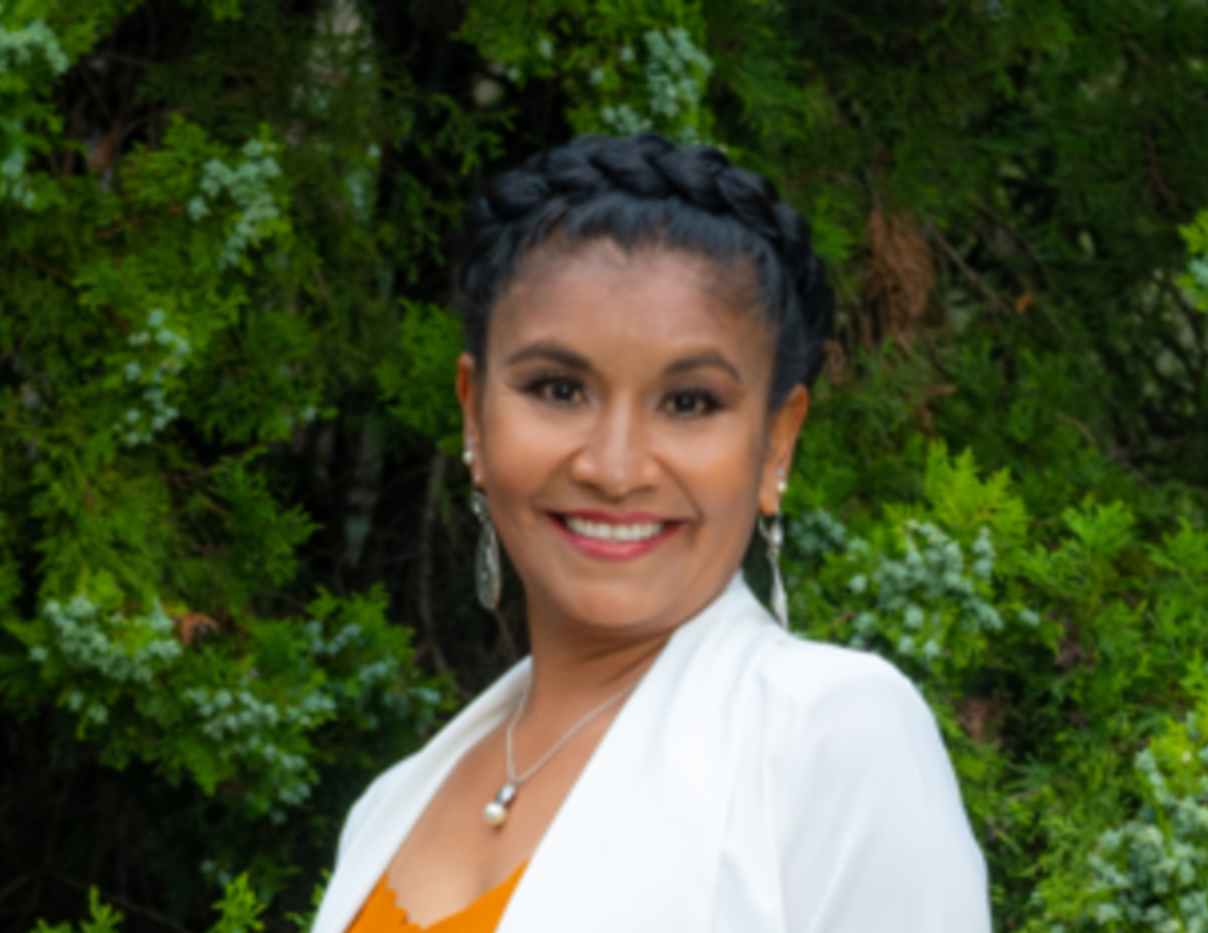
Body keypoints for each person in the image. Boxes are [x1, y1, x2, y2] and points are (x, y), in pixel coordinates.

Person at [309, 133, 990, 933]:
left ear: (777, 441)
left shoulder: (826, 738)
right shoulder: (390, 805)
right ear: (474, 414)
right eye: (558, 389)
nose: (614, 466)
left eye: (689, 402)